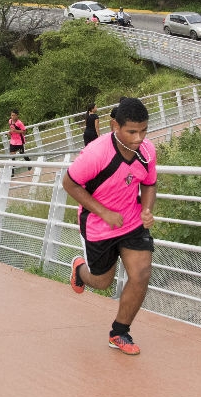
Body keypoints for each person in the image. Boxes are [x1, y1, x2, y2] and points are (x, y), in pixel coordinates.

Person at [64, 97, 157, 356]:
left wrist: (147, 210)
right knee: (103, 282)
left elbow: (149, 182)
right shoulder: (95, 153)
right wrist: (104, 212)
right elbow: (69, 184)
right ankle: (80, 270)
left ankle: (119, 332)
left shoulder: (147, 151)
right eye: (132, 132)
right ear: (115, 125)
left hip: (132, 222)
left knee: (141, 274)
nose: (139, 138)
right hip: (98, 225)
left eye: (144, 130)